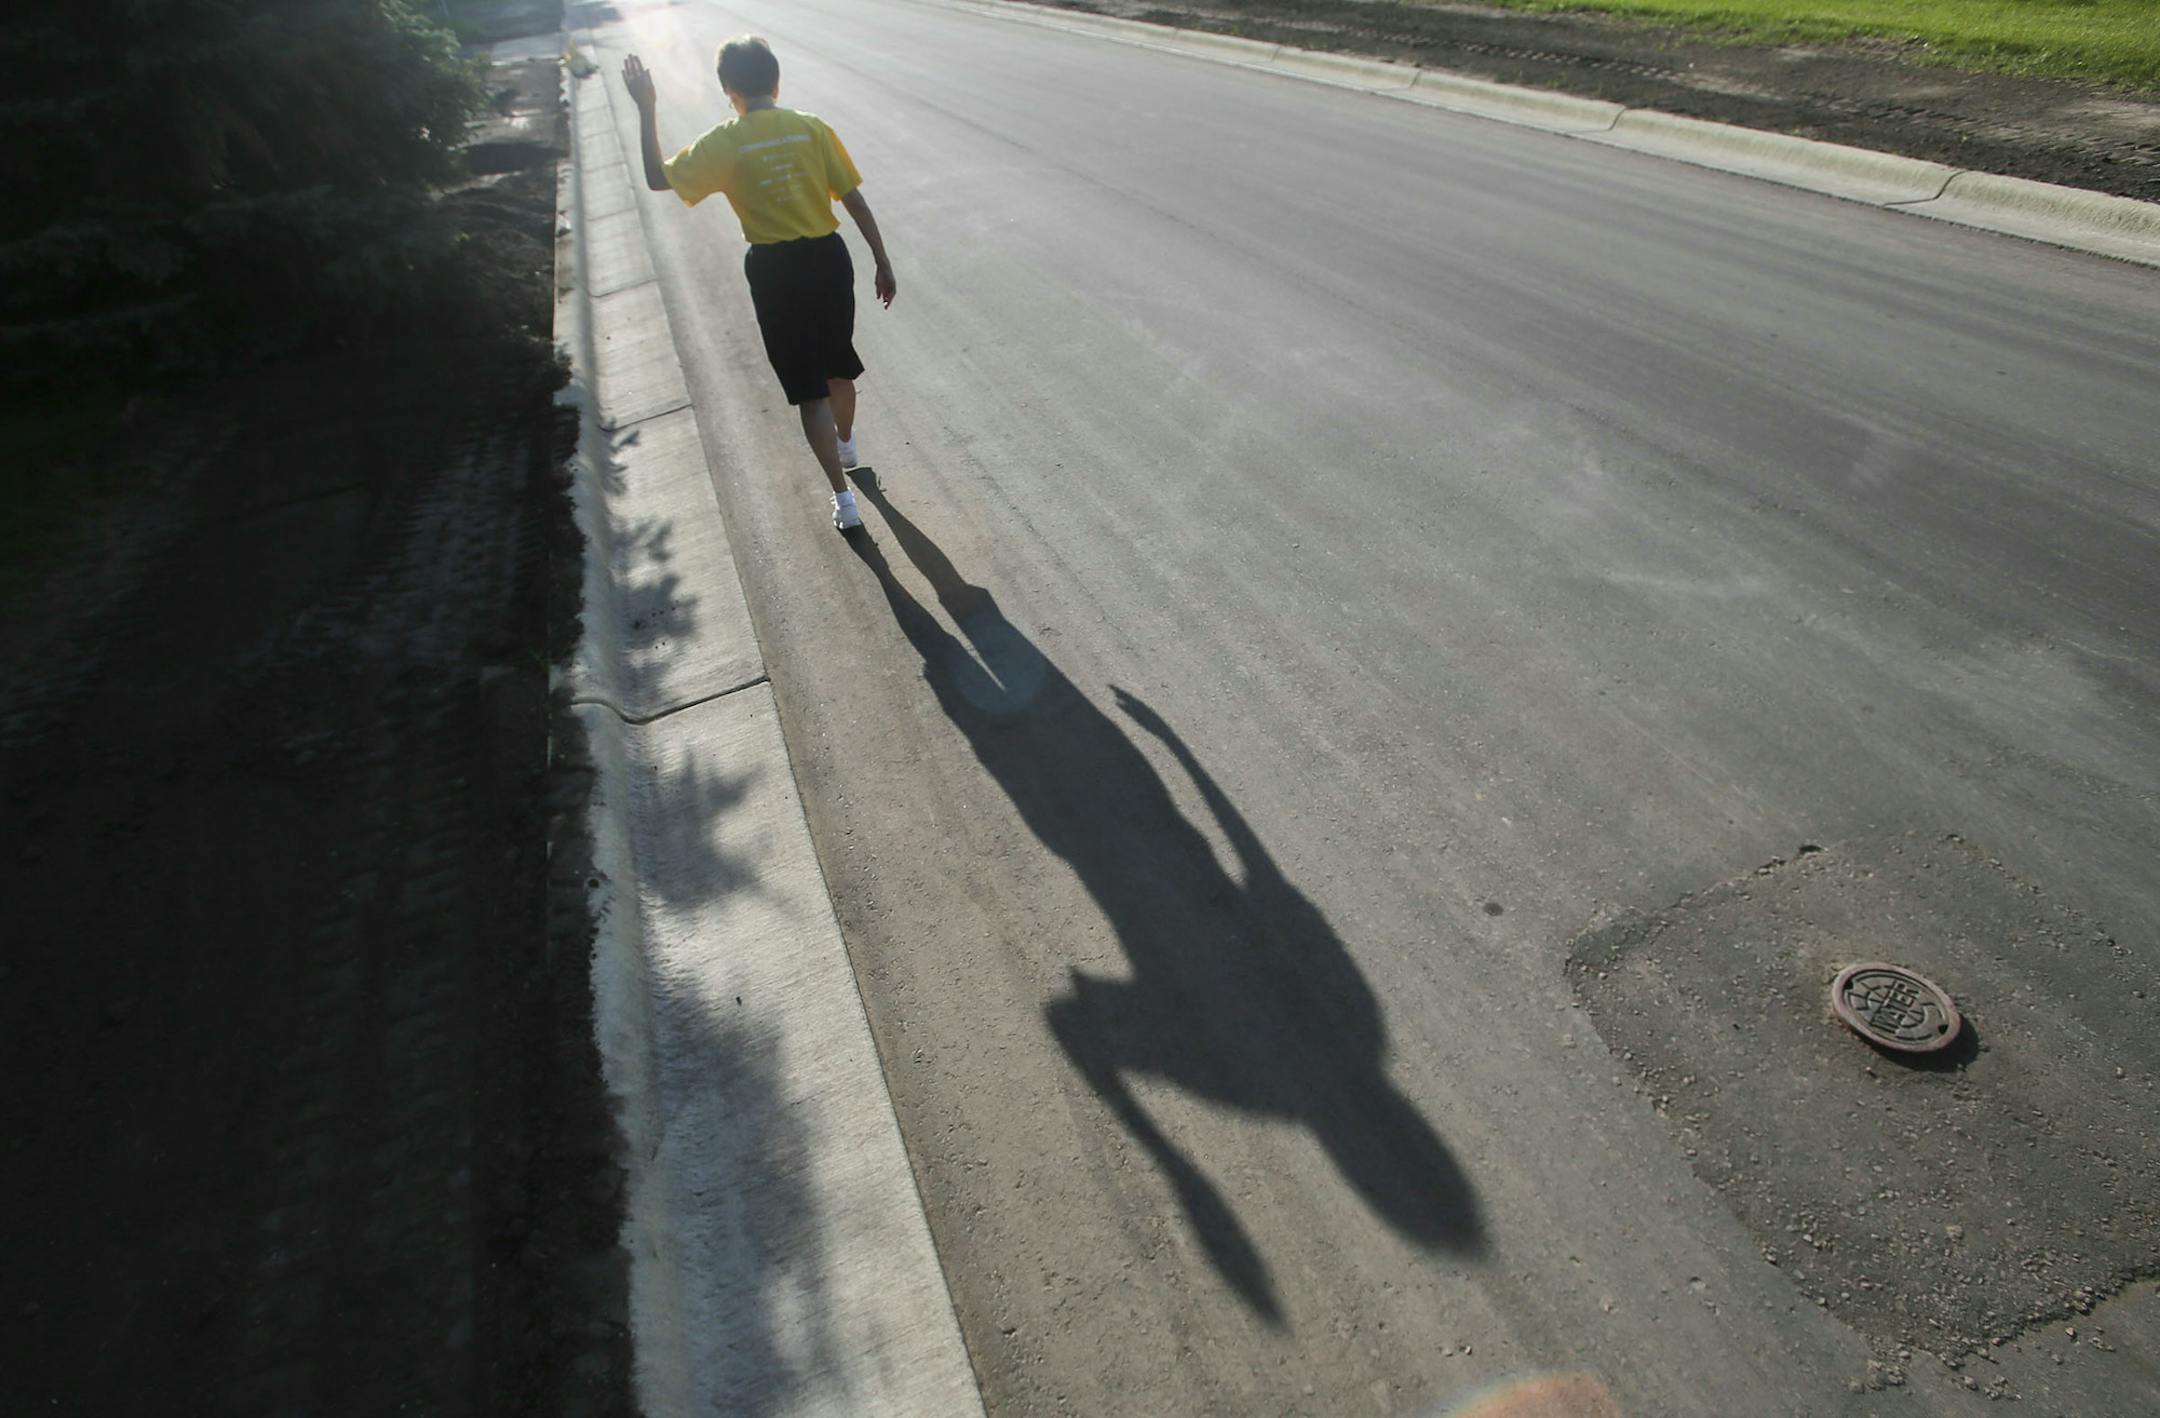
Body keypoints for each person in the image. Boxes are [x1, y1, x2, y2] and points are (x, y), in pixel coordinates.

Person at [621, 38, 896, 530]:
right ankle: (847, 441)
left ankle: (844, 502)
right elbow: (854, 200)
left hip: (773, 270)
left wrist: (647, 106)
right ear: (776, 81)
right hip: (829, 261)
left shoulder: (723, 142)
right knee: (839, 368)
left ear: (728, 90)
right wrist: (882, 259)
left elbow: (658, 179)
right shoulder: (811, 128)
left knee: (809, 393)